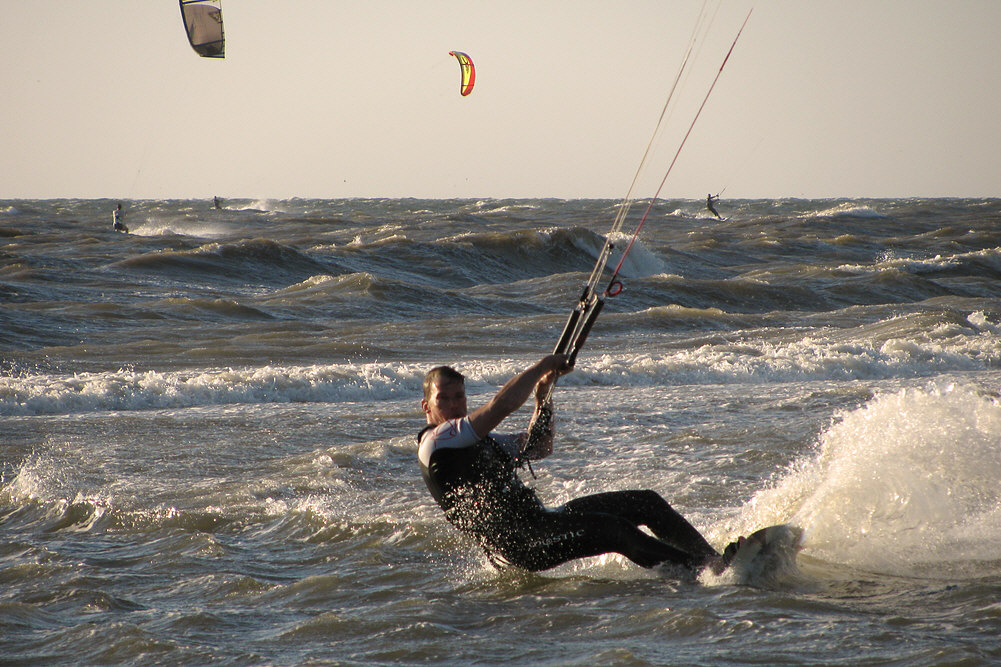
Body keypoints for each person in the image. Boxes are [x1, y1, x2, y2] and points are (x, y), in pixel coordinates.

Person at [417, 354, 737, 575]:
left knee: (645, 502)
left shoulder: (478, 440)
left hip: (540, 521)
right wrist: (544, 364)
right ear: (426, 407)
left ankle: (712, 561)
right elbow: (502, 405)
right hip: (520, 542)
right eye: (443, 399)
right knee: (615, 531)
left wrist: (543, 398)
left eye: (459, 397)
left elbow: (539, 447)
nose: (454, 405)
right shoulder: (436, 441)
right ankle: (705, 573)